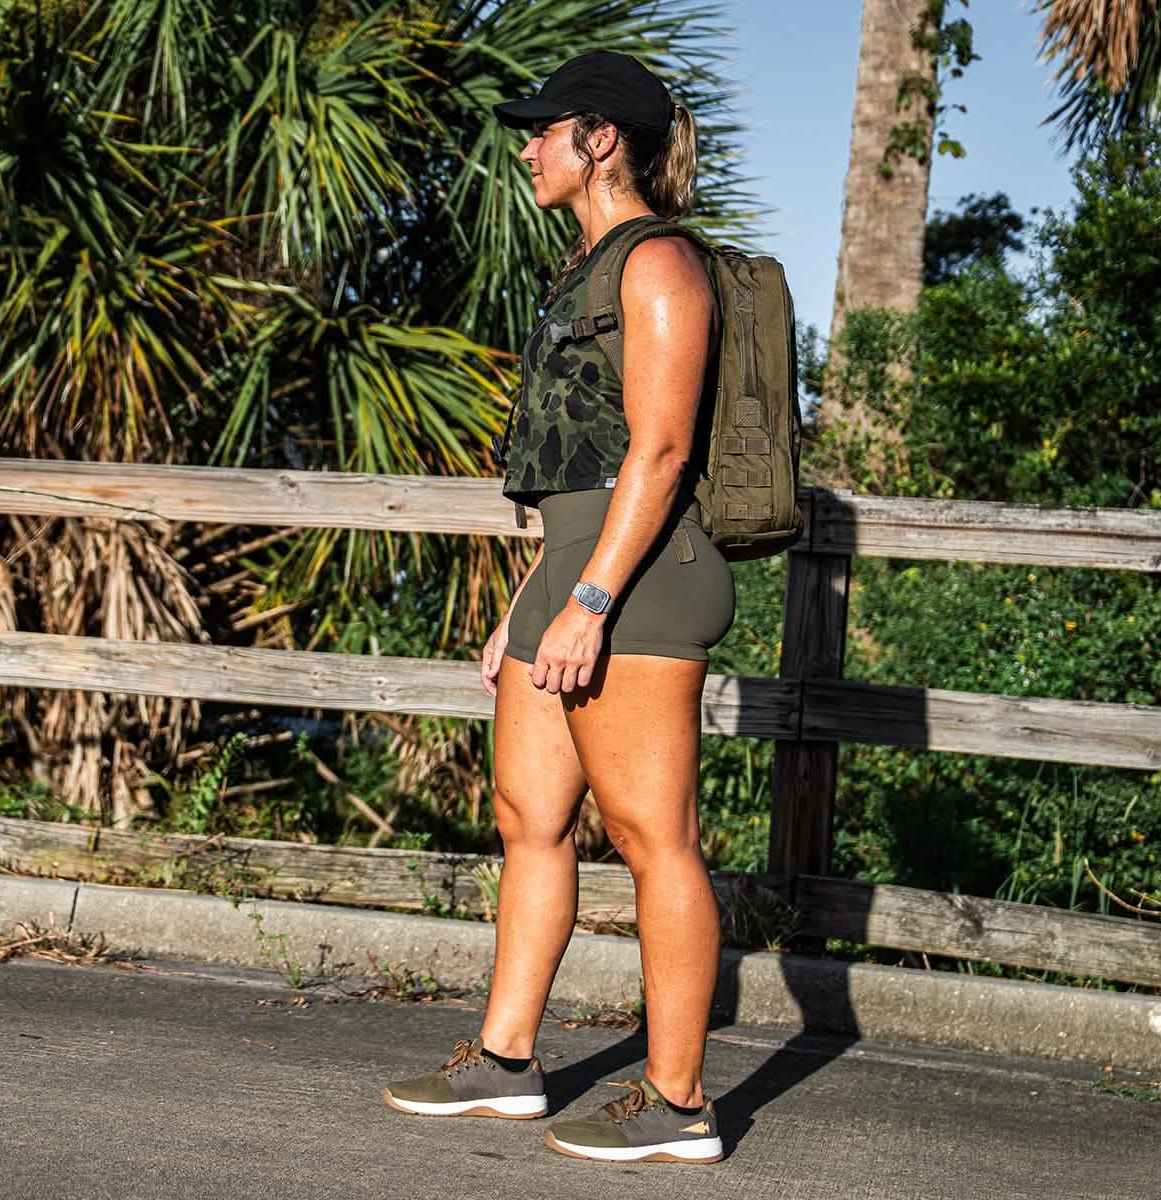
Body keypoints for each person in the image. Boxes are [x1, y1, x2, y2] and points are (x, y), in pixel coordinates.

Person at [382, 49, 734, 1166]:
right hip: (574, 573)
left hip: (643, 582)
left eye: (544, 130)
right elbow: (572, 476)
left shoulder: (660, 264)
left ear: (600, 140)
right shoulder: (579, 270)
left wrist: (588, 599)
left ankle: (678, 1103)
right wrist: (529, 604)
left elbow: (660, 452)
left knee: (651, 837)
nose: (527, 148)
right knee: (528, 815)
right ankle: (505, 1063)